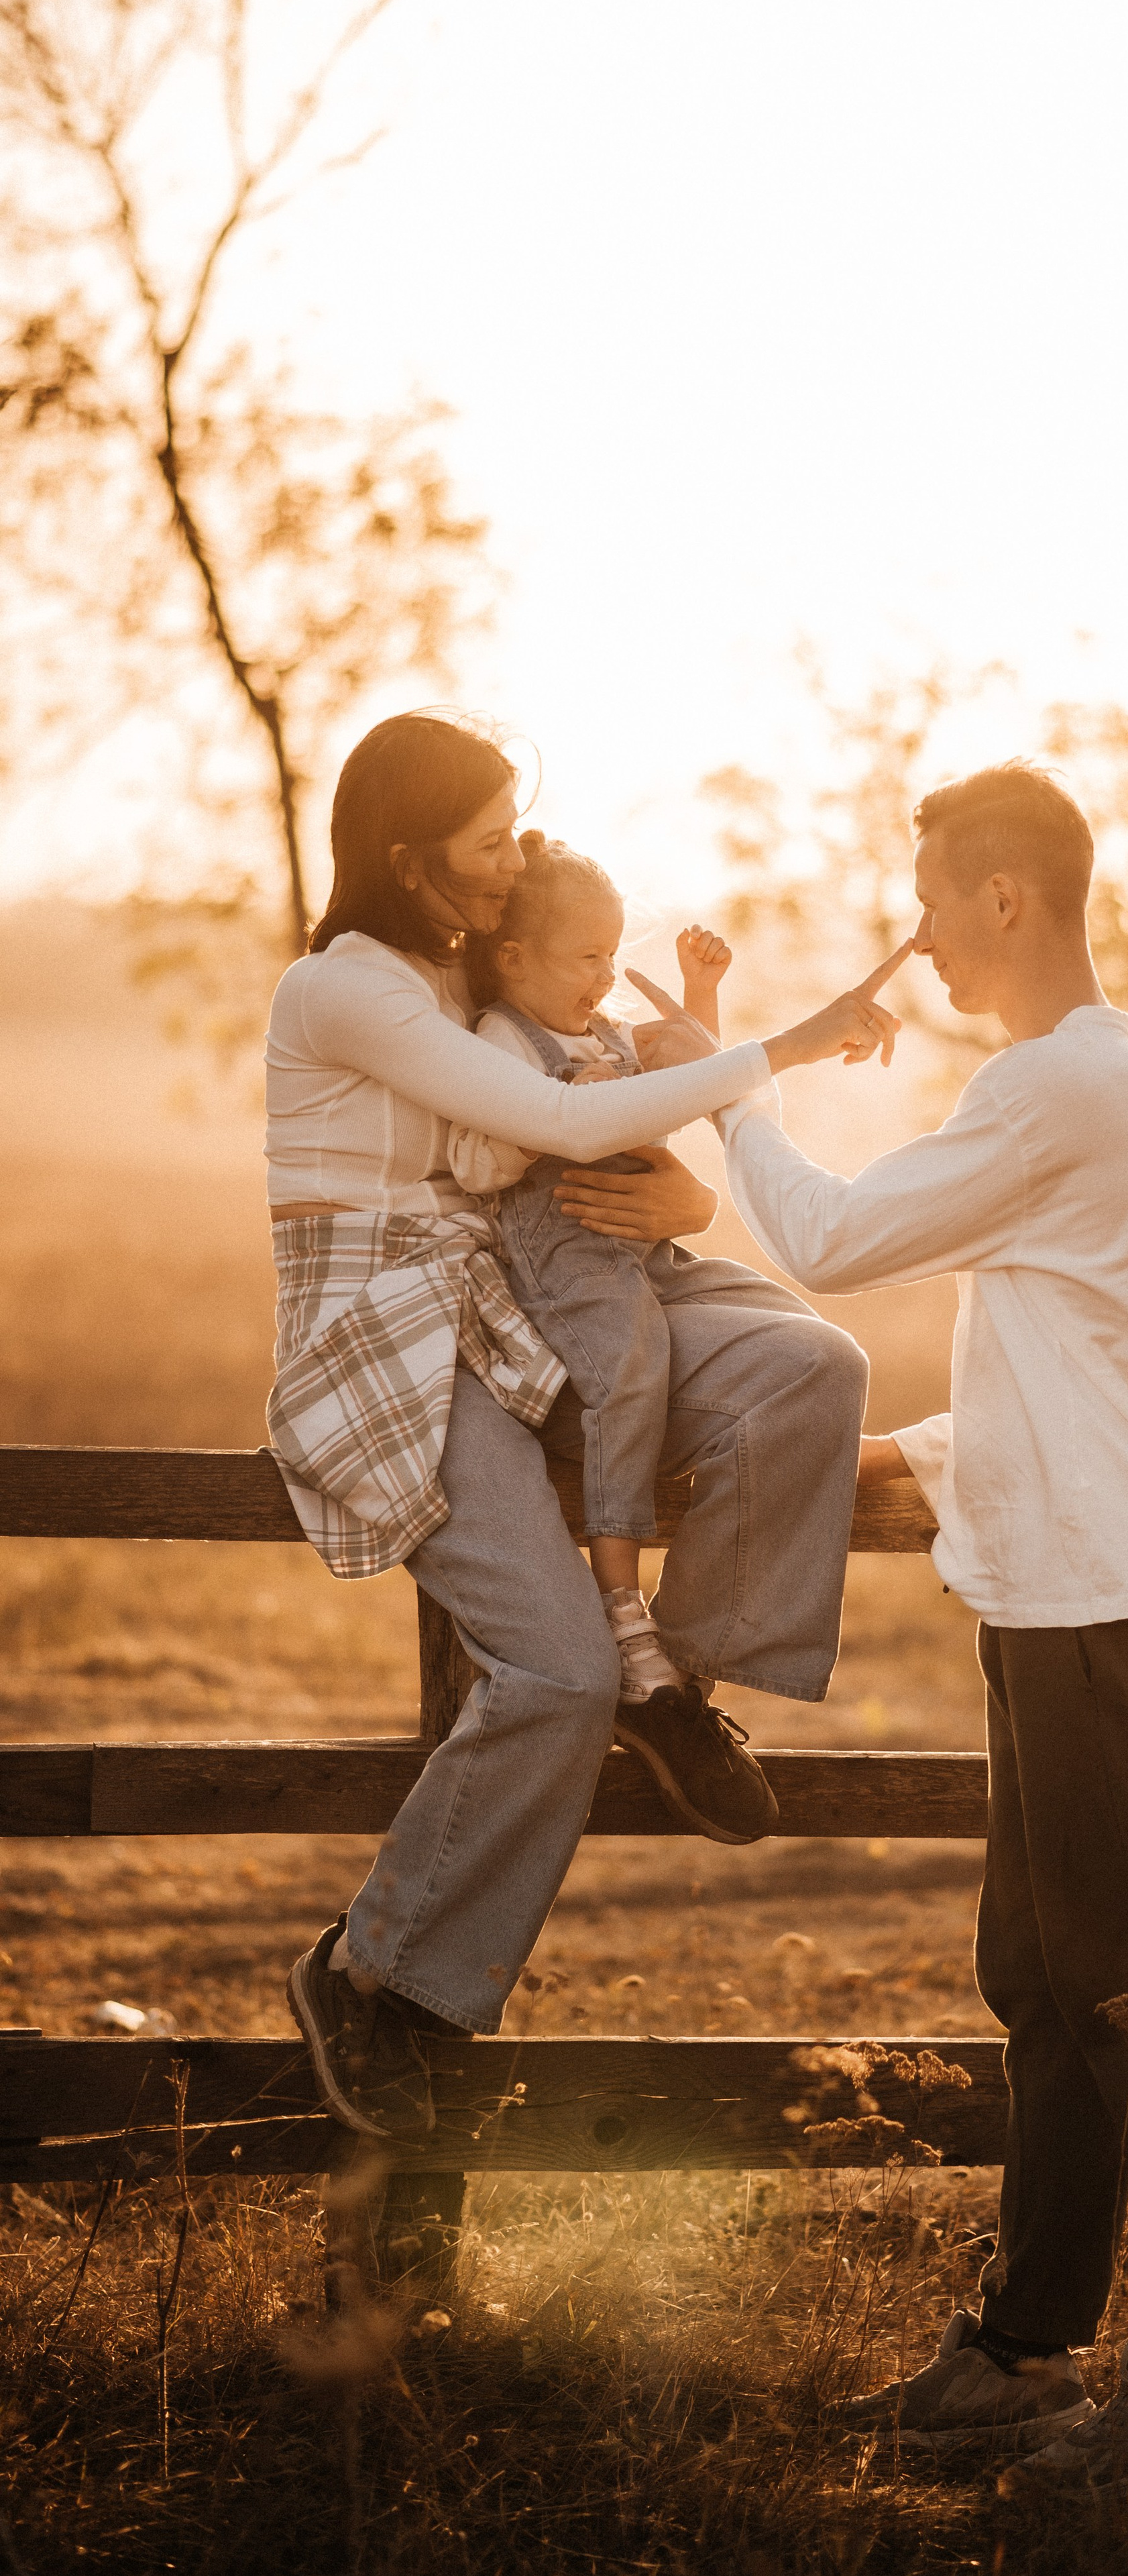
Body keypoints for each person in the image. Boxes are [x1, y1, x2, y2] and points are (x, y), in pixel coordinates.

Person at [562, 758, 1128, 2494]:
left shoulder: (1067, 1095)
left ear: (1007, 901)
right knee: (1047, 1975)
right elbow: (1100, 1362)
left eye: (930, 899)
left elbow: (815, 1237)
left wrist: (721, 1083)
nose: (916, 934)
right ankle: (1029, 2354)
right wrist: (912, 1451)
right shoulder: (1087, 1104)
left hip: (1114, 1597)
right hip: (1061, 1581)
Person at [270, 710, 900, 2140]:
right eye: (486, 843)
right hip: (392, 1340)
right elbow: (542, 1129)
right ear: (406, 855)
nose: (508, 868)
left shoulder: (457, 974)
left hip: (516, 1305)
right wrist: (777, 1049)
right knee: (550, 1675)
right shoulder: (348, 991)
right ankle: (371, 1980)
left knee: (808, 1370)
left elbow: (578, 1125)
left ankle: (674, 1691)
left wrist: (686, 1197)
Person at [447, 830, 836, 1833]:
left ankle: (682, 1676)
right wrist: (550, 1116)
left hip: (649, 1259)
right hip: (569, 1264)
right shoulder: (499, 1041)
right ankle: (623, 1615)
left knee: (815, 1348)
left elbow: (682, 1092)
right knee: (632, 1360)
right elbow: (487, 1159)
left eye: (614, 955)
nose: (606, 977)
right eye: (586, 958)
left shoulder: (600, 1026)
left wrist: (698, 1000)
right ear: (512, 959)